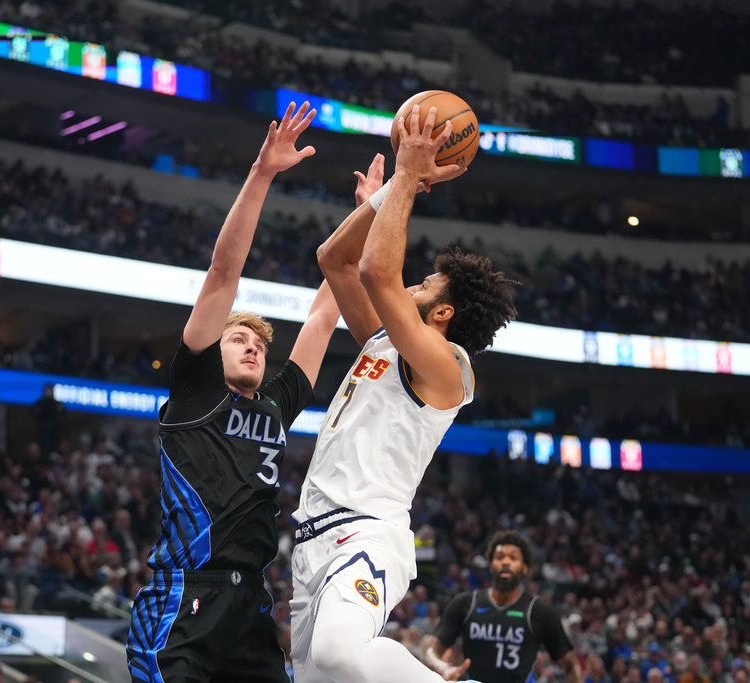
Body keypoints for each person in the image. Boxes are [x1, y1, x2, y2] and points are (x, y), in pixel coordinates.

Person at [288, 104, 518, 683]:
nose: (413, 281)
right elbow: (335, 261)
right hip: (312, 540)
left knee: (340, 653)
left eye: (426, 283)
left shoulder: (447, 368)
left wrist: (409, 178)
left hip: (367, 530)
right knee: (324, 673)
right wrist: (387, 191)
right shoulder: (386, 341)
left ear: (442, 313)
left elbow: (375, 273)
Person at [126, 101, 342, 683]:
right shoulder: (195, 390)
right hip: (184, 605)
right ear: (212, 348)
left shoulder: (275, 406)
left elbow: (324, 314)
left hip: (252, 610)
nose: (252, 348)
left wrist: (377, 207)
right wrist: (263, 173)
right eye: (238, 339)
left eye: (259, 345)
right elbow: (224, 272)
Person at [424, 531, 582, 683]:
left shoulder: (539, 611)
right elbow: (430, 650)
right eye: (499, 557)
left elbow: (572, 665)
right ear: (491, 564)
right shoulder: (465, 603)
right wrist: (442, 667)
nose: (505, 562)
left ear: (525, 568)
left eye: (513, 558)